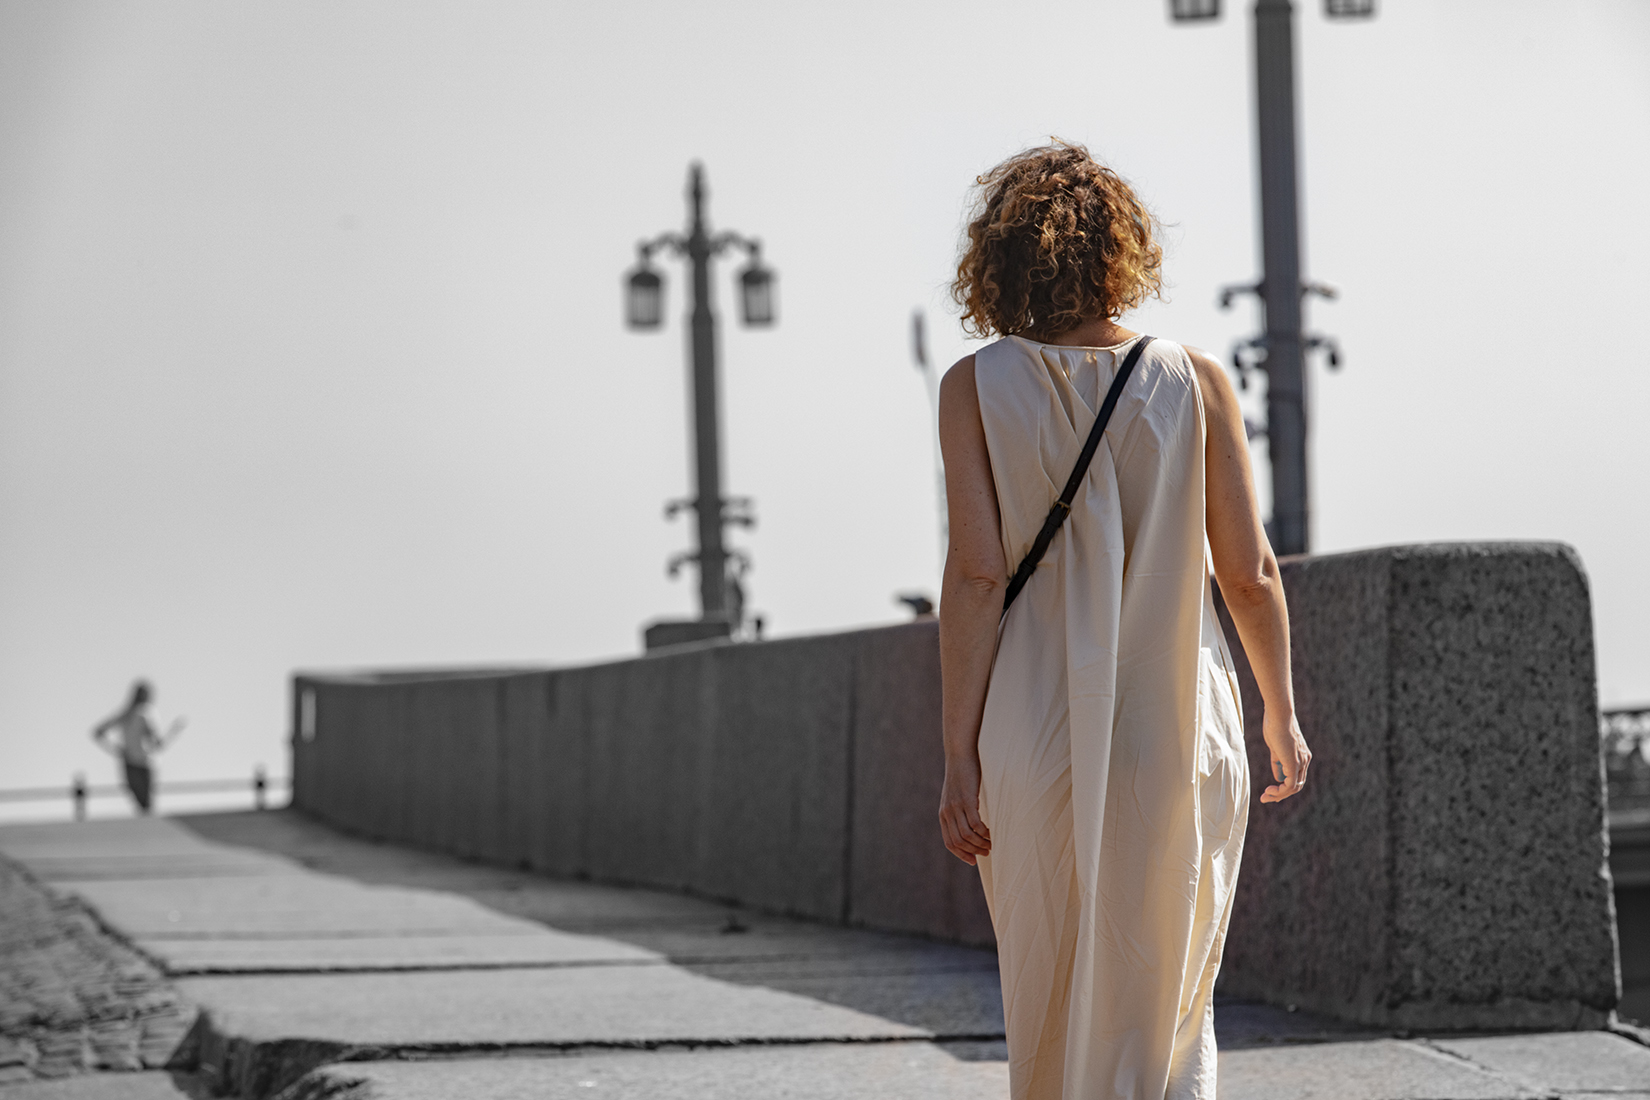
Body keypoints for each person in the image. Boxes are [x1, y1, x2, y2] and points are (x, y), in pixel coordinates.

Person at [935, 141, 1312, 1100]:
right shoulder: (1197, 380)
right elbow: (1250, 575)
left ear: (1001, 260)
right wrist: (1279, 712)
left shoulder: (975, 387)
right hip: (1176, 725)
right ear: (1122, 251)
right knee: (1170, 997)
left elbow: (977, 576)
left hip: (1033, 731)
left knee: (1051, 983)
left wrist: (958, 754)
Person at [92, 680, 184, 815]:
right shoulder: (145, 713)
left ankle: (147, 826)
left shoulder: (127, 714)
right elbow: (158, 744)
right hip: (142, 764)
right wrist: (174, 730)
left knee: (142, 806)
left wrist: (117, 750)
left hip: (132, 763)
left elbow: (98, 732)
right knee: (146, 807)